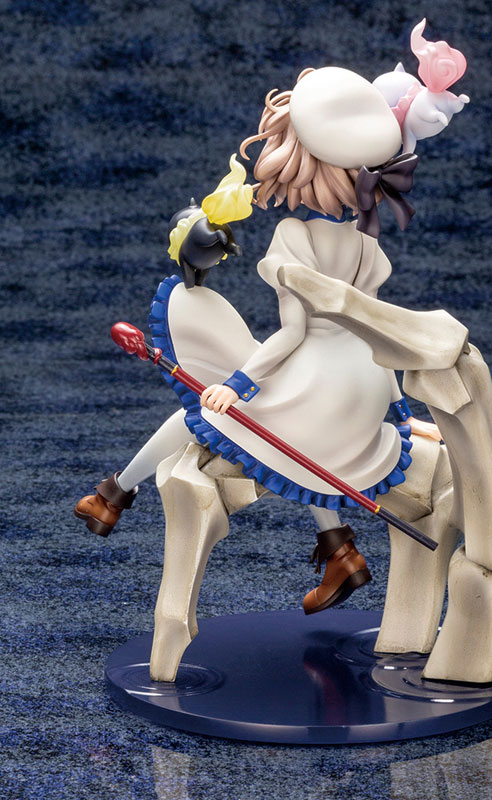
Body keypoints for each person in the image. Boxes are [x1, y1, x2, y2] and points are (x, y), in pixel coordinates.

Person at [76, 27, 469, 614]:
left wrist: (236, 386)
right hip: (362, 388)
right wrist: (398, 411)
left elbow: (292, 334)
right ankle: (339, 550)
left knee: (207, 414)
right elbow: (375, 333)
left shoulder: (293, 235)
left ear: (296, 164)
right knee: (289, 438)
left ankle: (114, 493)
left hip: (321, 387)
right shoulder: (364, 241)